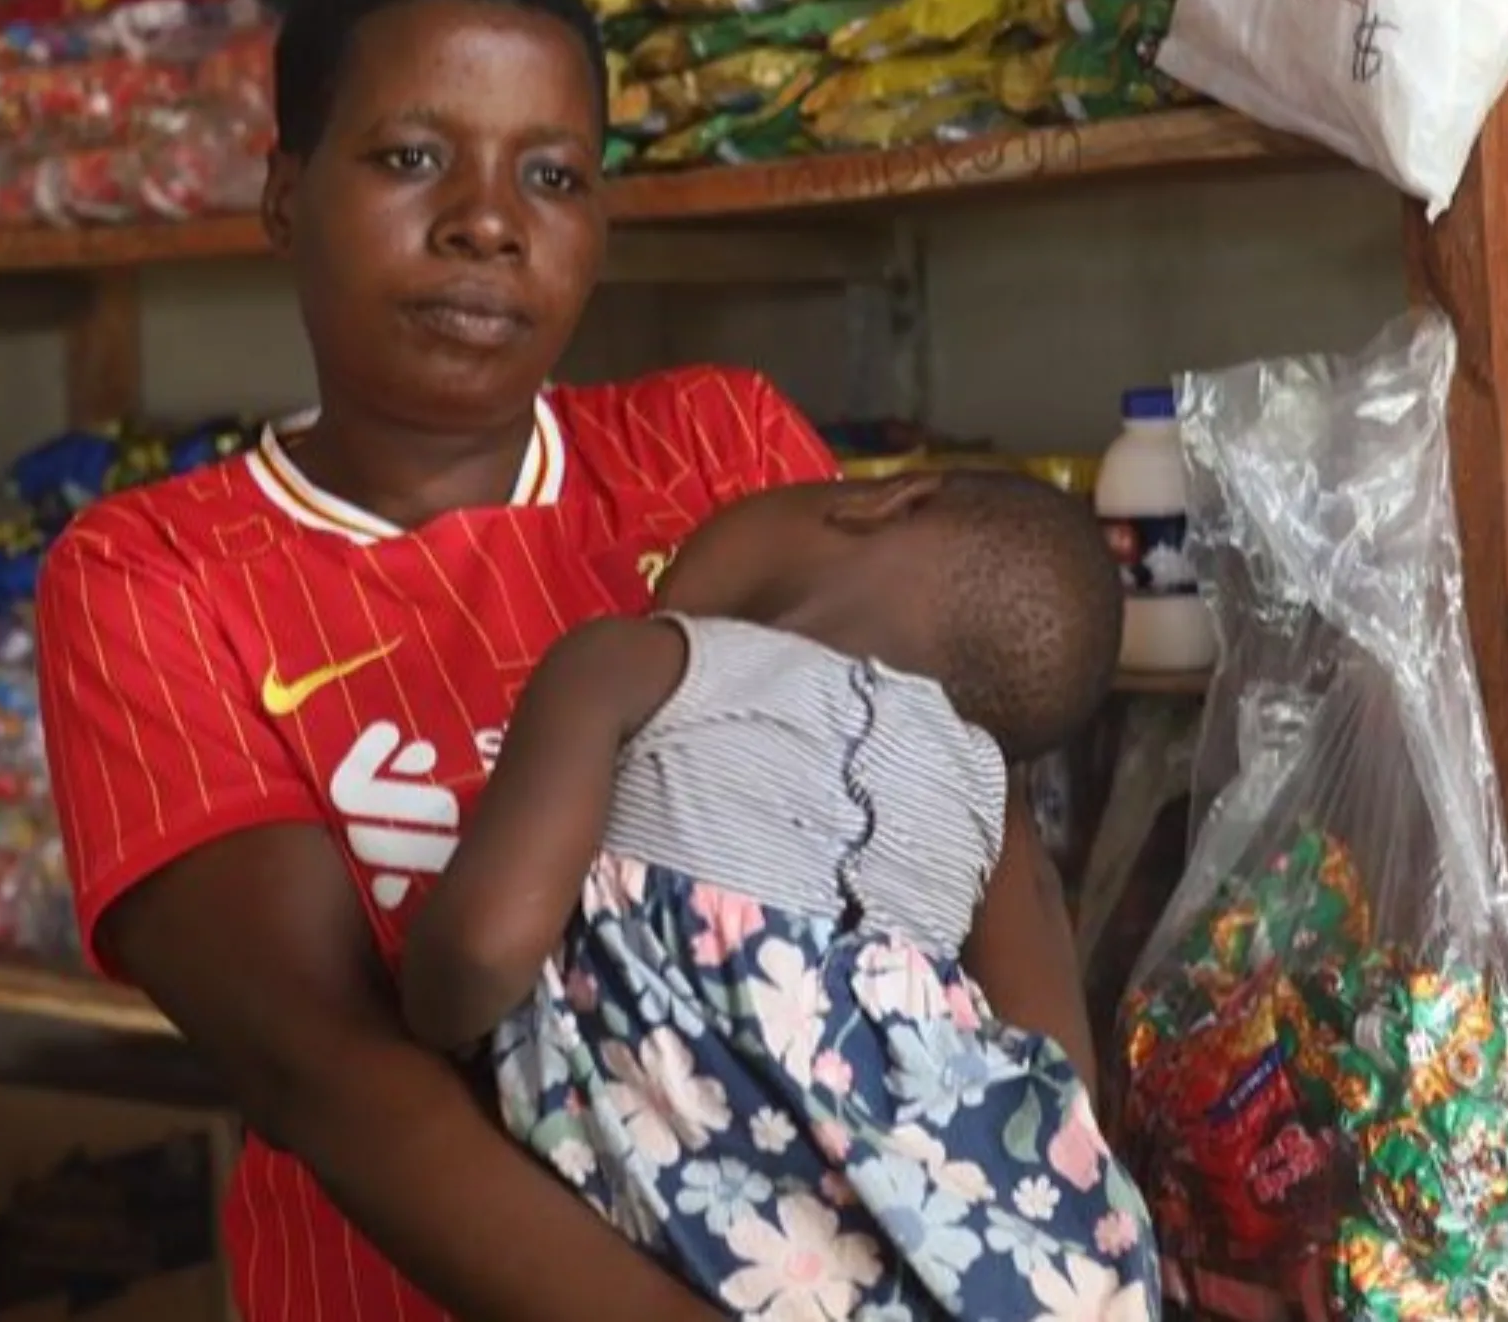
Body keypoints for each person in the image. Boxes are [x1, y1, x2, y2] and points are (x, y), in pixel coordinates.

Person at [33, 0, 1098, 1322]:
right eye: (413, 157)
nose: (488, 220)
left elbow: (971, 847)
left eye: (552, 176)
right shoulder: (154, 574)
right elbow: (330, 1069)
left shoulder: (716, 450)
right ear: (285, 195)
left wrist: (1045, 1230)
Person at [397, 469, 1162, 1320]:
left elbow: (480, 947)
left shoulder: (636, 663)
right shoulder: (987, 795)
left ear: (887, 498)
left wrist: (415, 1004)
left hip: (693, 1244)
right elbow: (1055, 1088)